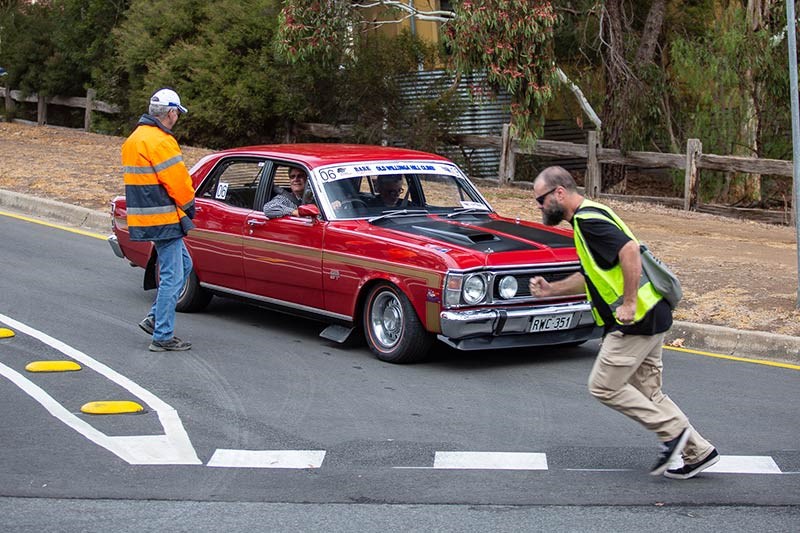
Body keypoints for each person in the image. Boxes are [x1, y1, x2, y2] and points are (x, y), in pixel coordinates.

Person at [528, 166, 719, 480]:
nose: (539, 206)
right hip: (652, 313)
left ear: (559, 193)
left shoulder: (588, 222)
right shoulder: (591, 215)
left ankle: (673, 432)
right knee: (650, 394)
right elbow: (594, 274)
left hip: (636, 320)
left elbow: (629, 250)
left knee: (603, 386)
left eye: (540, 200)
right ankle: (698, 452)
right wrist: (553, 288)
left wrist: (629, 303)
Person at [122, 88, 195, 352]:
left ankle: (155, 318)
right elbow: (178, 182)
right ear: (171, 112)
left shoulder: (135, 138)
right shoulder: (161, 141)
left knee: (184, 266)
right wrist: (190, 207)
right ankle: (162, 335)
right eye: (177, 112)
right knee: (174, 276)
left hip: (145, 217)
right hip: (164, 218)